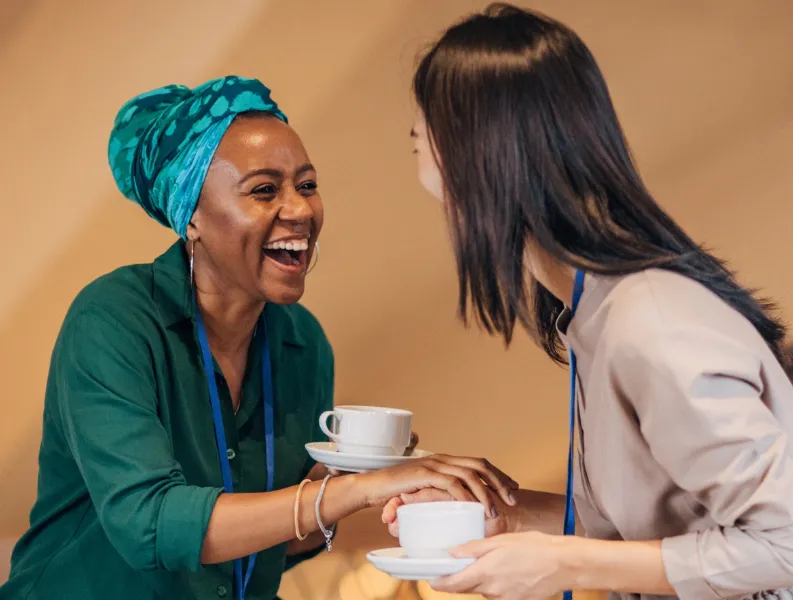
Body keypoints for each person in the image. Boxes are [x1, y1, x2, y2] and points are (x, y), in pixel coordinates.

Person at [0, 75, 517, 600]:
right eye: (264, 190)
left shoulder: (302, 342)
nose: (300, 210)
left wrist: (360, 481)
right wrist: (357, 489)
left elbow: (281, 543)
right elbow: (149, 523)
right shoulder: (114, 319)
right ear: (192, 216)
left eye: (307, 186)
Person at [384, 5, 793, 600]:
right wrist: (503, 517)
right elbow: (653, 528)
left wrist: (569, 566)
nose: (425, 171)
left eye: (419, 145)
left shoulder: (649, 325)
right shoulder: (595, 313)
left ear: (469, 154)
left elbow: (790, 541)